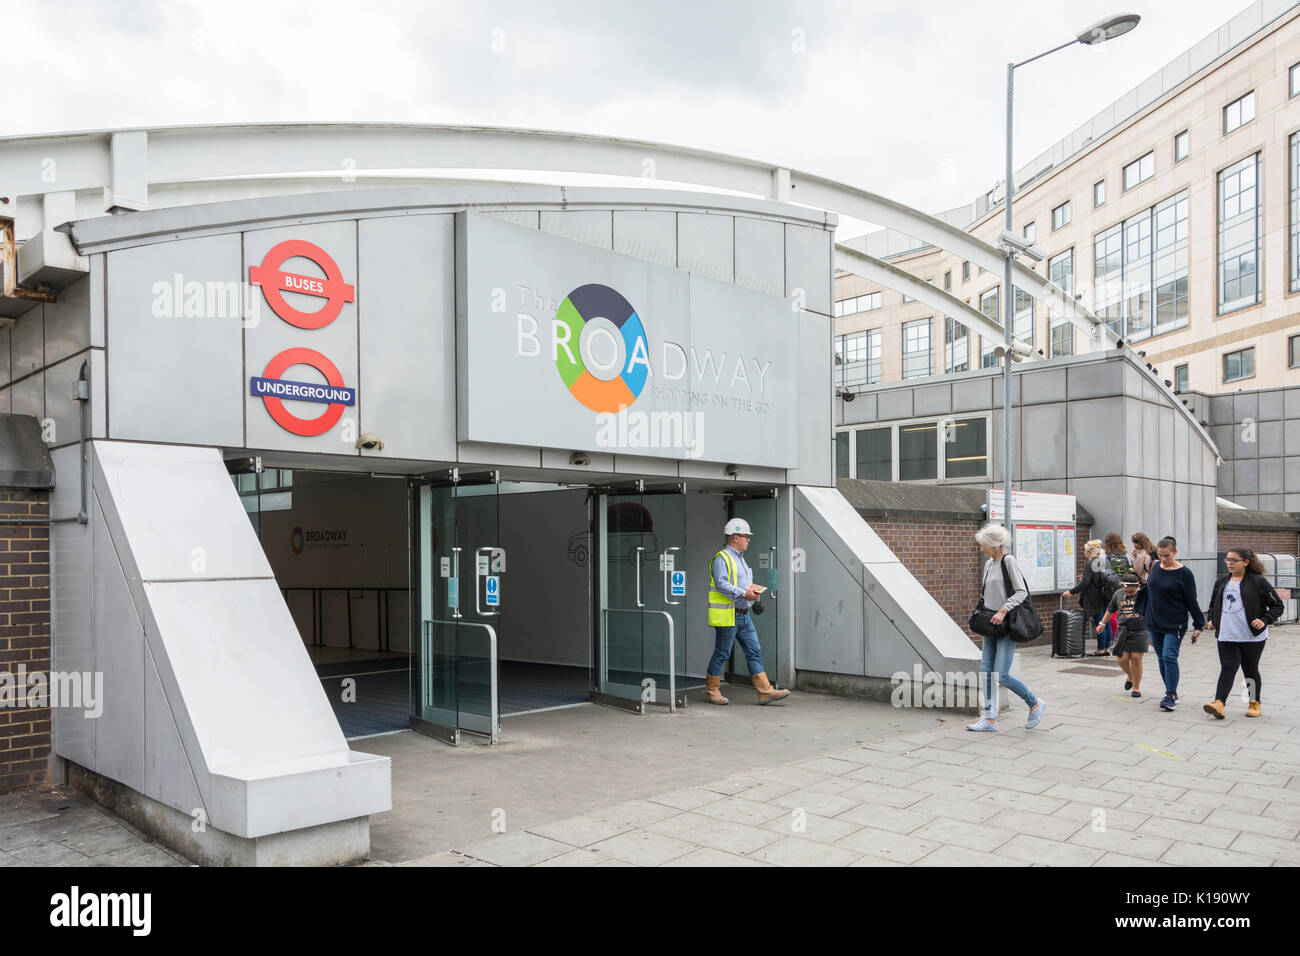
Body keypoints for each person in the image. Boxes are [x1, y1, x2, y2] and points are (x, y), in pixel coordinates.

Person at [966, 523, 1046, 732]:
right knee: (986, 672)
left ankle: (1035, 703)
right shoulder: (988, 565)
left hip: (1006, 624)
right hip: (990, 625)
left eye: (984, 545)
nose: (981, 549)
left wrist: (1003, 610)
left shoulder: (1008, 562)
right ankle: (990, 719)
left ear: (994, 544)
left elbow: (1021, 592)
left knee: (1001, 675)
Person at [704, 518, 789, 705]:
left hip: (744, 614)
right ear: (735, 537)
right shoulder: (722, 558)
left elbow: (740, 585)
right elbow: (721, 583)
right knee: (722, 653)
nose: (749, 540)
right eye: (746, 537)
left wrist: (753, 596)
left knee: (754, 651)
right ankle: (712, 691)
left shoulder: (740, 559)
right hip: (728, 614)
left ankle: (765, 691)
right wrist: (744, 593)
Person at [1202, 548, 1285, 719]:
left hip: (1252, 636)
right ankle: (1219, 703)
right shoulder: (1222, 582)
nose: (1229, 563)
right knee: (1228, 667)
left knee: (1250, 669)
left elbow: (1277, 605)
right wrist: (1211, 619)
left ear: (1245, 562)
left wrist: (1265, 619)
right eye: (1228, 560)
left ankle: (1254, 702)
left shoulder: (1258, 581)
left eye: (1234, 560)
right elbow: (1213, 605)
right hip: (1226, 634)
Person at [1136, 536, 1204, 712]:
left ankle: (1170, 695)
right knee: (1160, 657)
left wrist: (1198, 624)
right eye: (1160, 555)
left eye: (1167, 555)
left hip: (1175, 623)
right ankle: (1171, 691)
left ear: (1175, 552)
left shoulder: (1185, 574)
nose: (1164, 559)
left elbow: (1191, 600)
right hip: (1154, 621)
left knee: (1169, 656)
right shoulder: (1155, 566)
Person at [1097, 572, 1148, 698]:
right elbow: (1110, 610)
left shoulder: (1145, 594)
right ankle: (1130, 676)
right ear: (1122, 586)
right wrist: (1102, 623)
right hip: (1123, 629)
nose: (1129, 594)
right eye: (1127, 591)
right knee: (1122, 658)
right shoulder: (1118, 594)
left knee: (1136, 658)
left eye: (1132, 592)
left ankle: (1136, 687)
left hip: (1140, 629)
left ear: (1138, 587)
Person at [1066, 539, 1112, 656]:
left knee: (1099, 622)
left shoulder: (1090, 563)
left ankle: (1100, 649)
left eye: (1085, 551)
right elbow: (1099, 577)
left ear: (1090, 552)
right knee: (1105, 622)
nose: (1084, 553)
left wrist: (1071, 592)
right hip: (1105, 595)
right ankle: (1107, 648)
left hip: (1094, 597)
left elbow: (1085, 583)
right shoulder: (1104, 561)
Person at [1102, 533, 1132, 647]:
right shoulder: (1126, 554)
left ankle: (1114, 639)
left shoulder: (1106, 555)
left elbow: (1102, 571)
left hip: (1110, 587)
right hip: (1125, 586)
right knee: (1125, 611)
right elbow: (1130, 569)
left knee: (1111, 613)